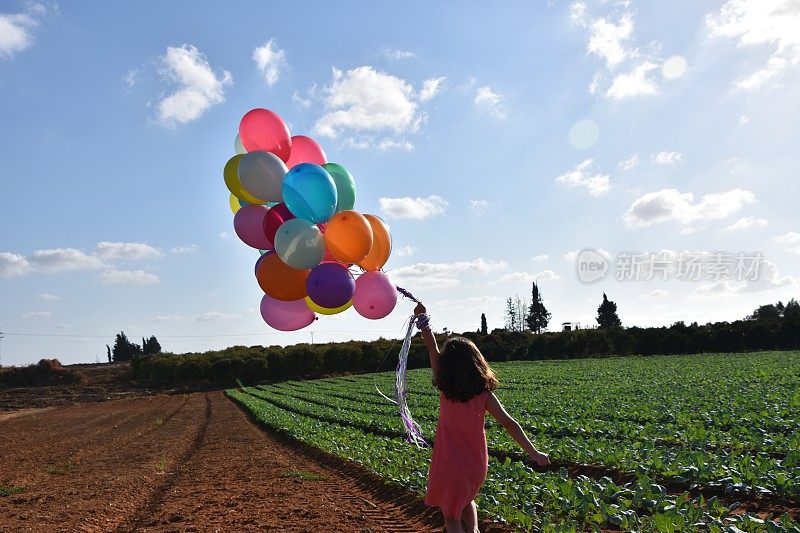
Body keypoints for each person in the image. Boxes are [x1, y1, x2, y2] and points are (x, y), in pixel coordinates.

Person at [414, 303, 550, 533]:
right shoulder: (484, 396)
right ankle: (475, 530)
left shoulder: (445, 386)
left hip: (449, 462)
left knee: (450, 515)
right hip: (475, 463)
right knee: (466, 499)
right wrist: (533, 452)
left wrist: (423, 319)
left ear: (447, 365)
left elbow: (431, 347)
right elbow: (509, 423)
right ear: (477, 362)